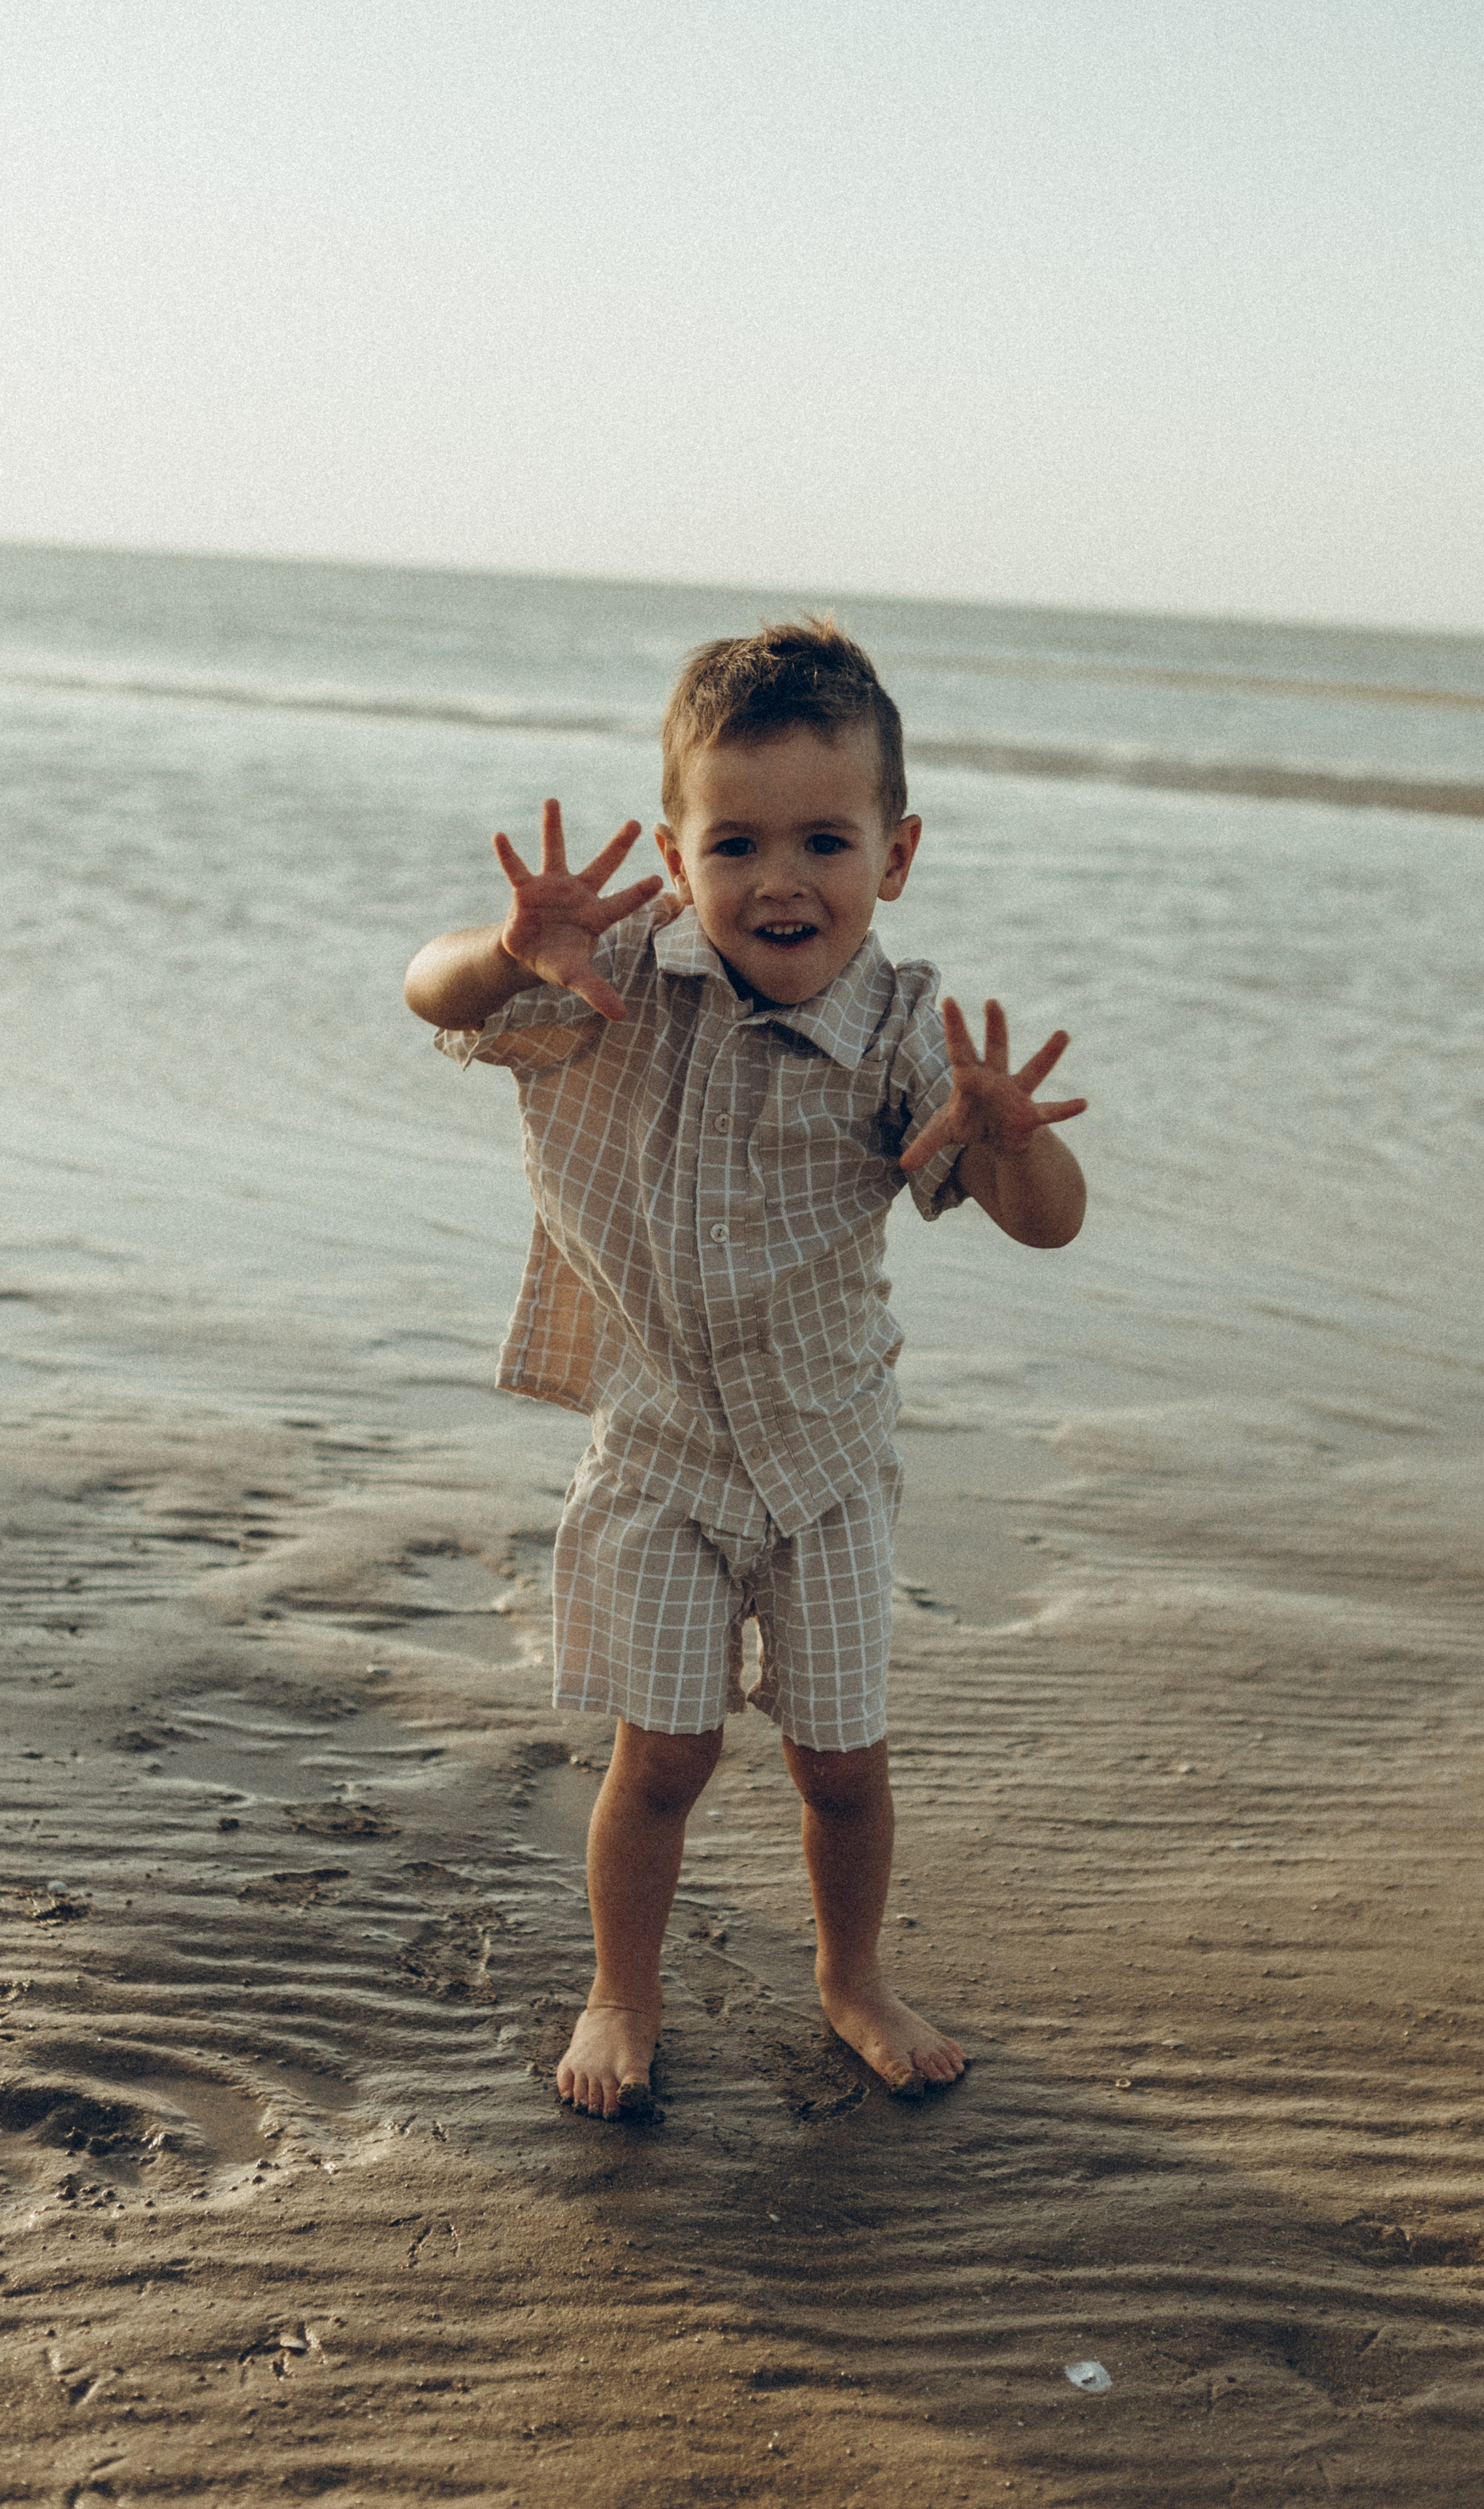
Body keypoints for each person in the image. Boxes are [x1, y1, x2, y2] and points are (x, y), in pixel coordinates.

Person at [404, 619, 1086, 2118]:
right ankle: (618, 1993)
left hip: (826, 1461)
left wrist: (1010, 1143)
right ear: (674, 848)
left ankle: (850, 1977)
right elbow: (428, 994)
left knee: (840, 1763)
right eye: (737, 843)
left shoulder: (905, 1037)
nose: (781, 880)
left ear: (893, 858)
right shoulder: (612, 983)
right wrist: (504, 949)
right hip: (655, 1458)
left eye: (824, 841)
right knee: (663, 1755)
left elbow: (1045, 1229)